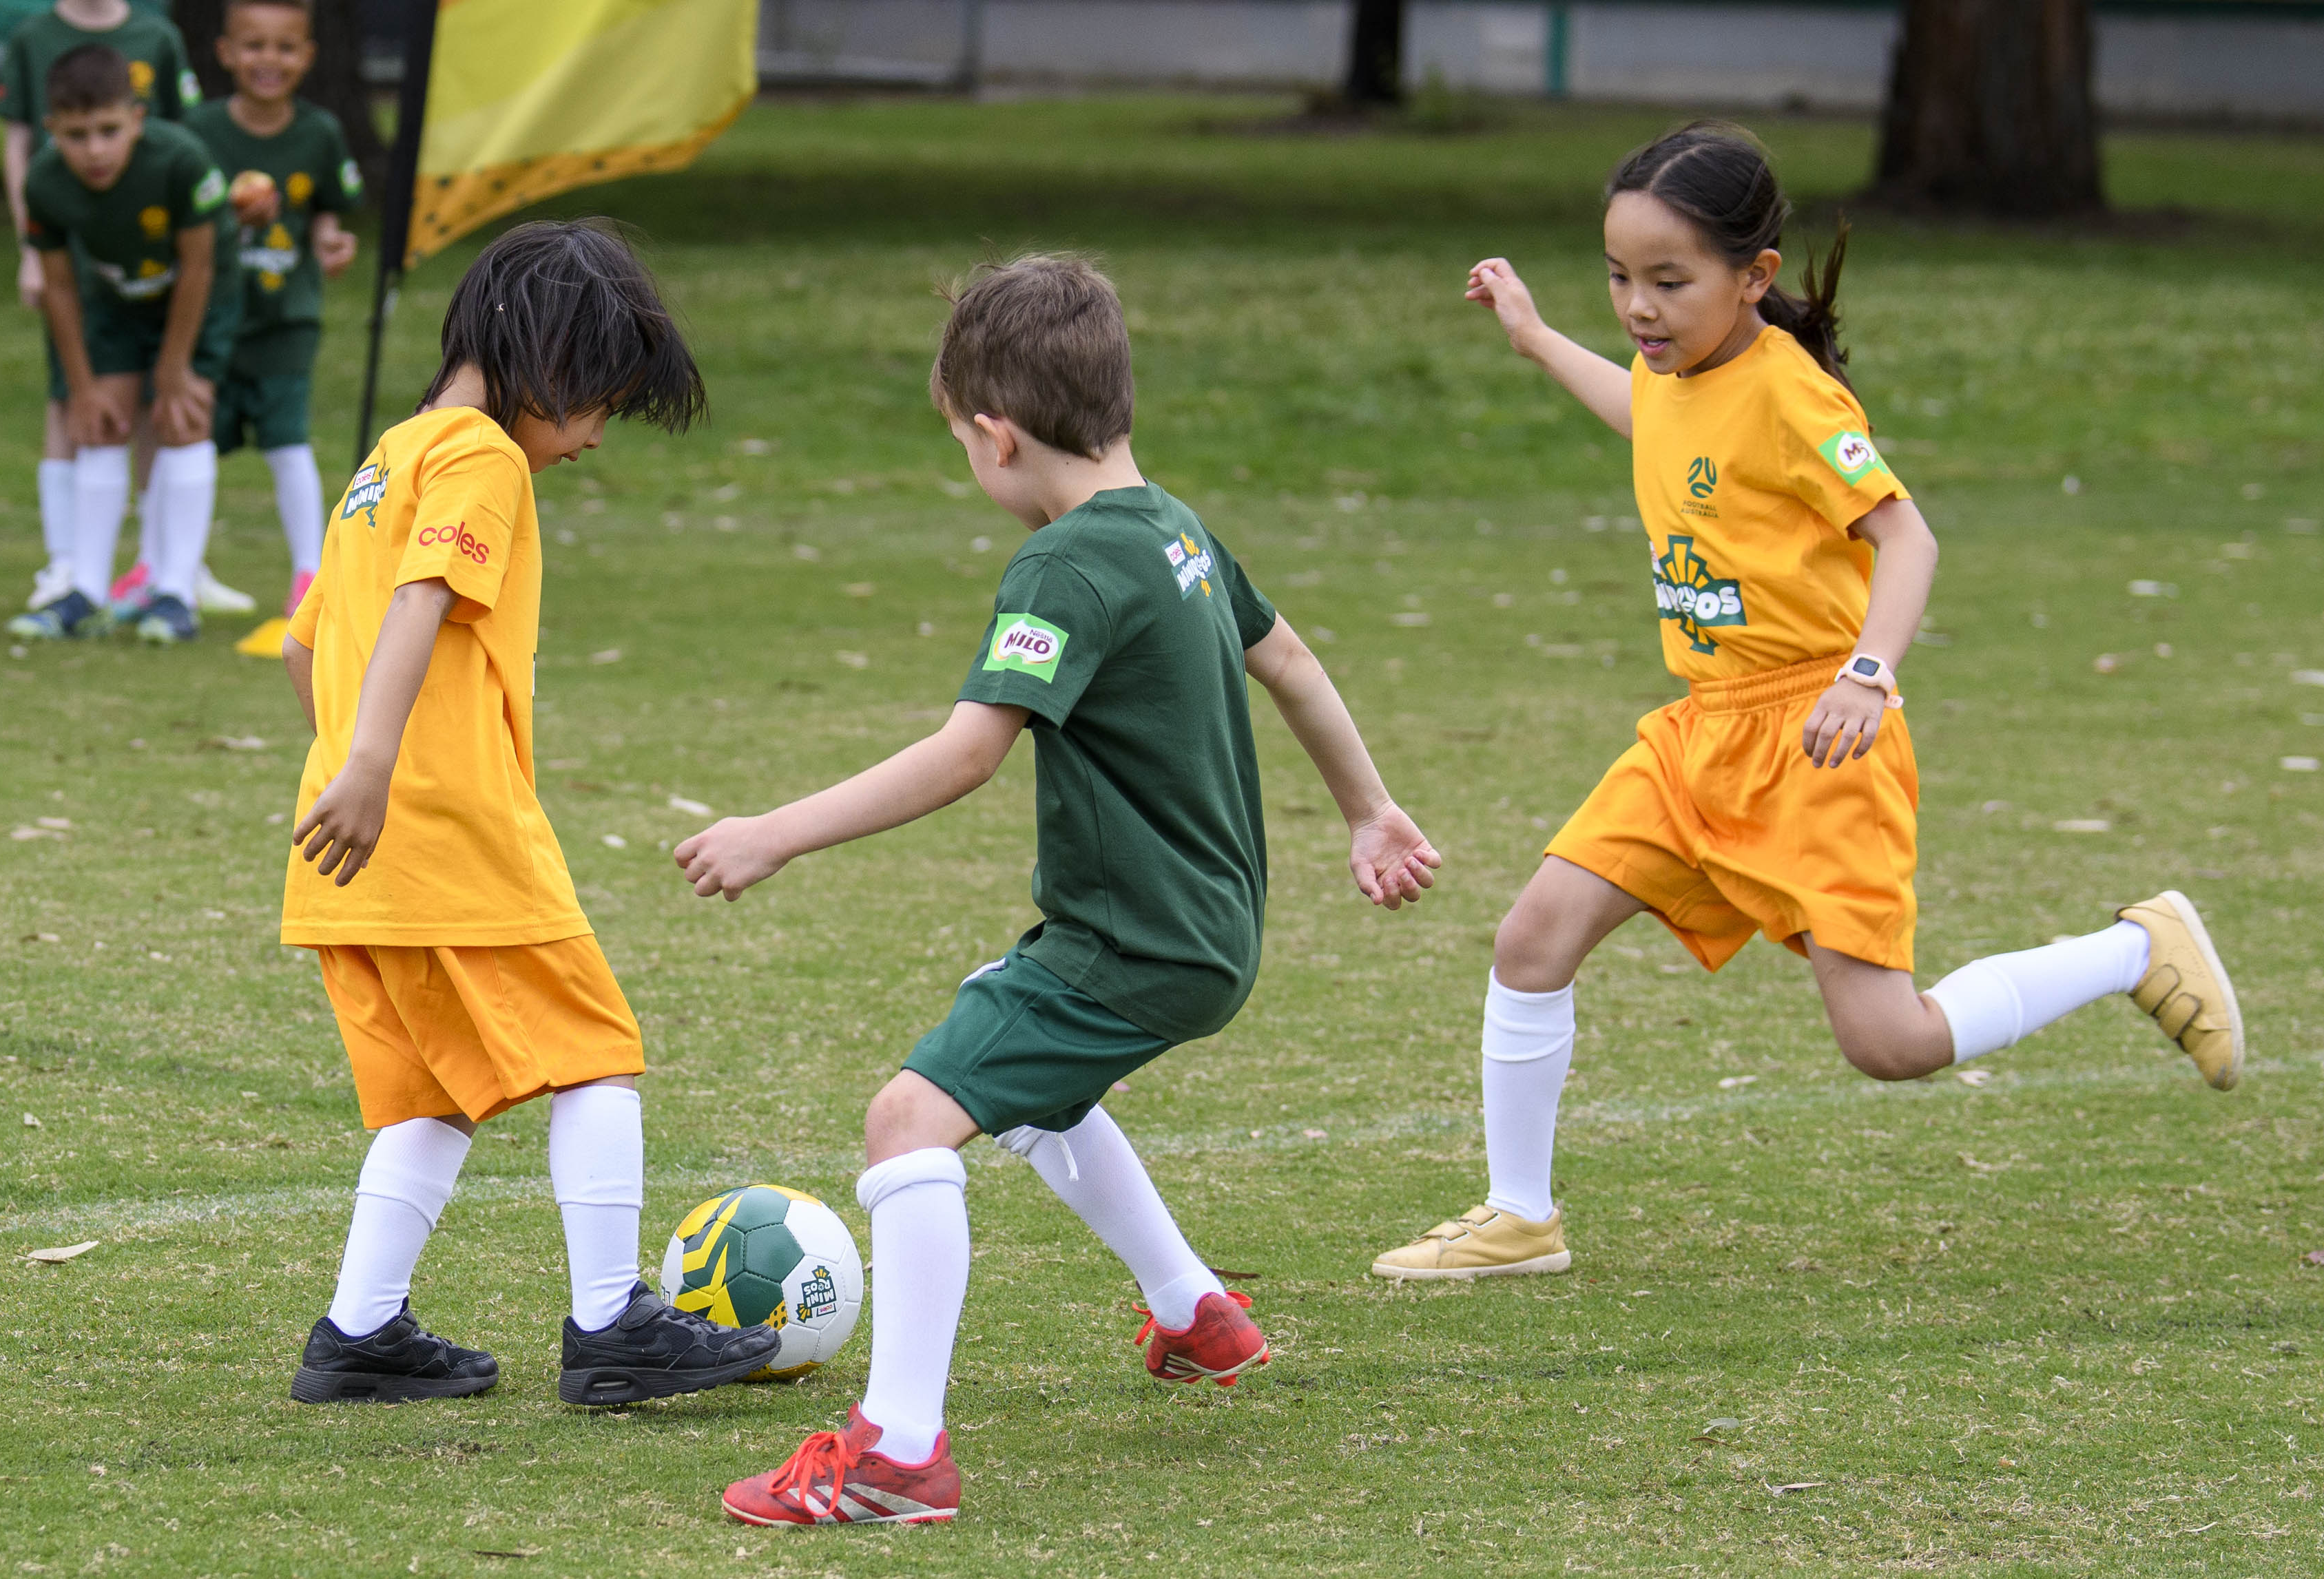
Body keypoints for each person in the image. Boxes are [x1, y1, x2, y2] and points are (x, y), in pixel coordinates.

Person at [1371, 123, 2244, 1283]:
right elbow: (1646, 409)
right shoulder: (1676, 369)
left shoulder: (1790, 394)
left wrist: (1865, 673)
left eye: (1667, 281)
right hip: (1697, 731)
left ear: (1754, 277)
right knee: (1531, 937)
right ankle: (1518, 1215)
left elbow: (1905, 534)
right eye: (1618, 278)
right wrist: (1535, 339)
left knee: (1888, 1043)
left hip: (1817, 737)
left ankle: (2131, 947)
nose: (1637, 306)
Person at [681, 255, 1441, 1527]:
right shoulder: (1175, 527)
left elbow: (965, 751)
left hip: (1130, 938)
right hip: (1205, 928)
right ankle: (1192, 1309)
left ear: (995, 433)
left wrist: (775, 831)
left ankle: (894, 1453)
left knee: (907, 1122)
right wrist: (1367, 808)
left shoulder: (1063, 569)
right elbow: (1292, 659)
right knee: (1019, 1069)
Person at [277, 220, 780, 1406]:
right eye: (600, 400)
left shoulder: (384, 457)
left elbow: (307, 646)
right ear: (546, 358)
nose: (598, 432)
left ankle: (359, 1333)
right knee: (594, 1053)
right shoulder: (480, 459)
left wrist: (346, 767)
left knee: (434, 1091)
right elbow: (422, 598)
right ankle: (612, 1323)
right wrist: (383, 764)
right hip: (450, 826)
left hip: (351, 849)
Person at [6, 42, 236, 646]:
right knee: (100, 423)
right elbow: (57, 287)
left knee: (182, 417)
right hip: (113, 296)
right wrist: (80, 388)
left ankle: (176, 594)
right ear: (52, 129)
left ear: (137, 116)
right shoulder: (45, 182)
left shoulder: (181, 160)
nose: (95, 149)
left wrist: (174, 368)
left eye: (109, 130)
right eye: (77, 135)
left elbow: (199, 270)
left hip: (196, 295)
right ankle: (83, 590)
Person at [186, 0, 360, 627]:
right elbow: (188, 219)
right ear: (226, 51)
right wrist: (229, 220)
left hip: (288, 317)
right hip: (212, 319)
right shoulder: (199, 130)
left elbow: (324, 214)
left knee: (288, 442)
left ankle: (309, 575)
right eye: (254, 45)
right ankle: (181, 569)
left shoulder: (318, 133)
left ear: (308, 57)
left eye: (285, 47)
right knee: (196, 445)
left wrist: (331, 243)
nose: (270, 60)